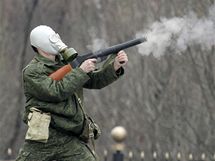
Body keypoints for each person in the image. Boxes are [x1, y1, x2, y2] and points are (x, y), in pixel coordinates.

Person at [16, 25, 128, 161]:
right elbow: (55, 92)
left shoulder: (67, 62)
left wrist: (115, 65)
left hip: (69, 135)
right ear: (39, 45)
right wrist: (81, 71)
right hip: (43, 137)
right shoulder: (32, 71)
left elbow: (94, 81)